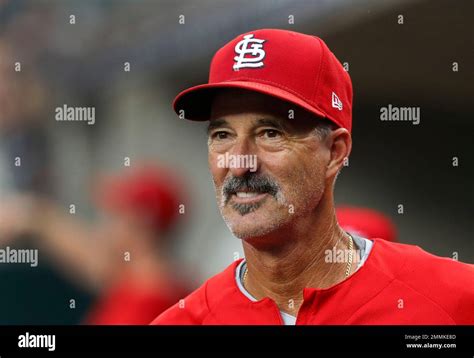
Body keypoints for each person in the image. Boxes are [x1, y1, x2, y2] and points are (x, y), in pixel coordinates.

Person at [151, 28, 473, 325]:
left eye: (270, 133)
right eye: (222, 134)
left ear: (334, 153)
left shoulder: (454, 300)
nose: (239, 162)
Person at [0, 165, 189, 324]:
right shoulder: (146, 283)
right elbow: (92, 261)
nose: (104, 226)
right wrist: (32, 217)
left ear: (139, 226)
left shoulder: (144, 300)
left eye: (115, 216)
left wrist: (35, 218)